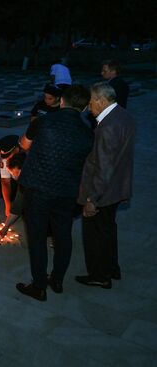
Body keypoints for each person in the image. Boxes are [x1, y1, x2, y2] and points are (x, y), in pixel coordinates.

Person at [16, 85, 94, 301]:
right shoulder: (88, 133)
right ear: (86, 107)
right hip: (67, 191)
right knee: (62, 236)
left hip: (38, 188)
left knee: (38, 237)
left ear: (61, 101)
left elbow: (24, 144)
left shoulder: (43, 121)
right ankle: (57, 280)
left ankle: (39, 286)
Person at [76, 82, 135, 289]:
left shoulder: (108, 126)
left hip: (104, 192)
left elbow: (103, 168)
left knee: (94, 235)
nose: (88, 107)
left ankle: (99, 275)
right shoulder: (123, 115)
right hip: (116, 187)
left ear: (101, 101)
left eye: (90, 103)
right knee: (108, 230)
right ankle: (111, 267)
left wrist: (92, 199)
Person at [0, 152, 27, 239]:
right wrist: (5, 228)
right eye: (12, 174)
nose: (15, 177)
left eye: (17, 173)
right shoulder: (23, 183)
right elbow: (17, 207)